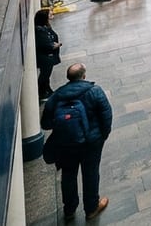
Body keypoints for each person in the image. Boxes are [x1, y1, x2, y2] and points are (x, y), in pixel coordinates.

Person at [40, 63, 113, 220]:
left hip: (66, 144)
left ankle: (69, 209)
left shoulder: (56, 96)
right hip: (91, 142)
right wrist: (102, 136)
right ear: (84, 76)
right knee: (91, 173)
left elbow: (45, 124)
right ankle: (92, 208)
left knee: (68, 175)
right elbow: (106, 116)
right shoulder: (95, 91)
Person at [34, 8, 61, 98]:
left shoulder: (45, 27)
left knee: (46, 75)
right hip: (45, 58)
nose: (52, 15)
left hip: (48, 57)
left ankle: (47, 89)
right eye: (50, 14)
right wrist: (55, 45)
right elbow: (45, 44)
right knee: (45, 75)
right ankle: (42, 92)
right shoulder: (40, 30)